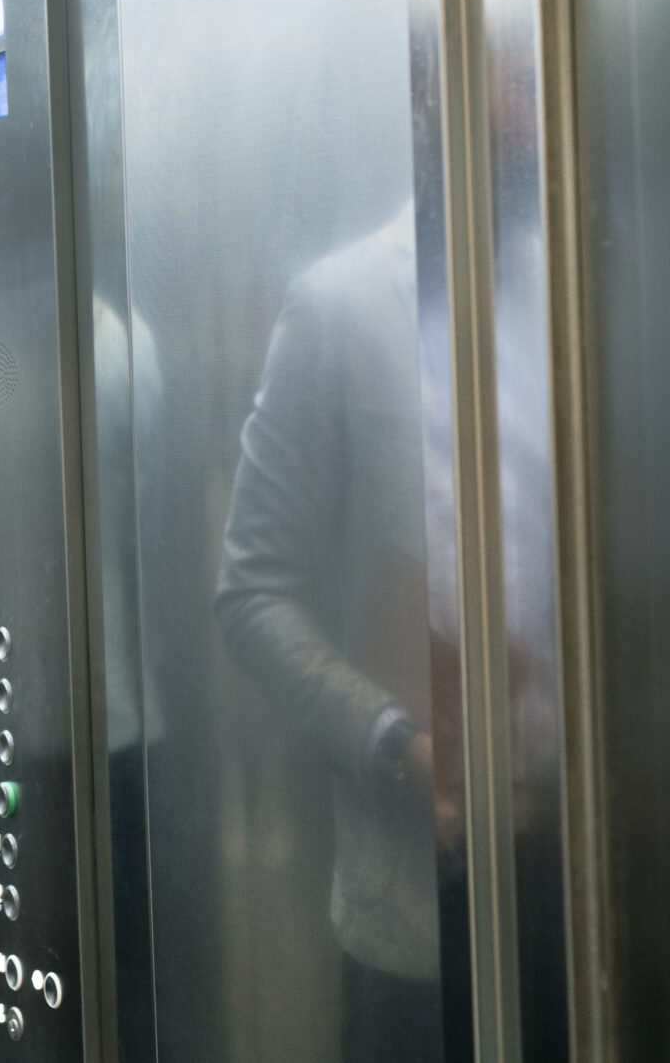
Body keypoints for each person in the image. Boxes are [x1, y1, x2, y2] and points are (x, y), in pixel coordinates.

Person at [214, 204, 461, 1063]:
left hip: (596, 907)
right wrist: (396, 746)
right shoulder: (343, 305)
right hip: (415, 918)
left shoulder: (591, 281)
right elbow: (253, 591)